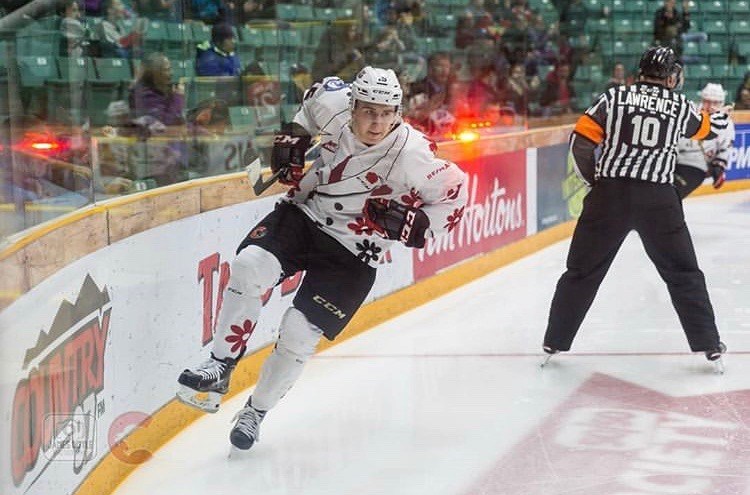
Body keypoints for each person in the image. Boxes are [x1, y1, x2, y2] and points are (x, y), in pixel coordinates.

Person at [176, 67, 468, 451]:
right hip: (305, 214)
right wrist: (294, 136)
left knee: (298, 334)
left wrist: (413, 225)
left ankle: (255, 411)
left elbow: (456, 196)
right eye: (367, 111)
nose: (376, 122)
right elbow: (313, 99)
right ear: (352, 105)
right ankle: (219, 365)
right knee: (249, 267)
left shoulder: (413, 155)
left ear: (398, 111)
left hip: (355, 249)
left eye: (385, 112)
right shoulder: (332, 104)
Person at [541, 46, 727, 370]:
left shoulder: (613, 97)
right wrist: (715, 118)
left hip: (609, 196)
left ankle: (554, 340)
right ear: (671, 77)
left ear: (639, 72)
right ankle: (709, 344)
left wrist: (593, 182)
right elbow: (705, 130)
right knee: (684, 274)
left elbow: (581, 141)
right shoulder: (679, 104)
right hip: (659, 200)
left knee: (581, 271)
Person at [675, 83, 735, 199]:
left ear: (722, 103)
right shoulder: (690, 112)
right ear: (702, 100)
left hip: (696, 166)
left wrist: (718, 166)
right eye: (707, 101)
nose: (711, 106)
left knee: (673, 194)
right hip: (671, 160)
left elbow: (725, 149)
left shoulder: (726, 124)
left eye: (716, 103)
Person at [128, 52, 185, 127]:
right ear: (155, 73)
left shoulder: (162, 90)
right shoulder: (145, 94)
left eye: (170, 69)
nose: (171, 73)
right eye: (166, 70)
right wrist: (178, 97)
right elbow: (165, 123)